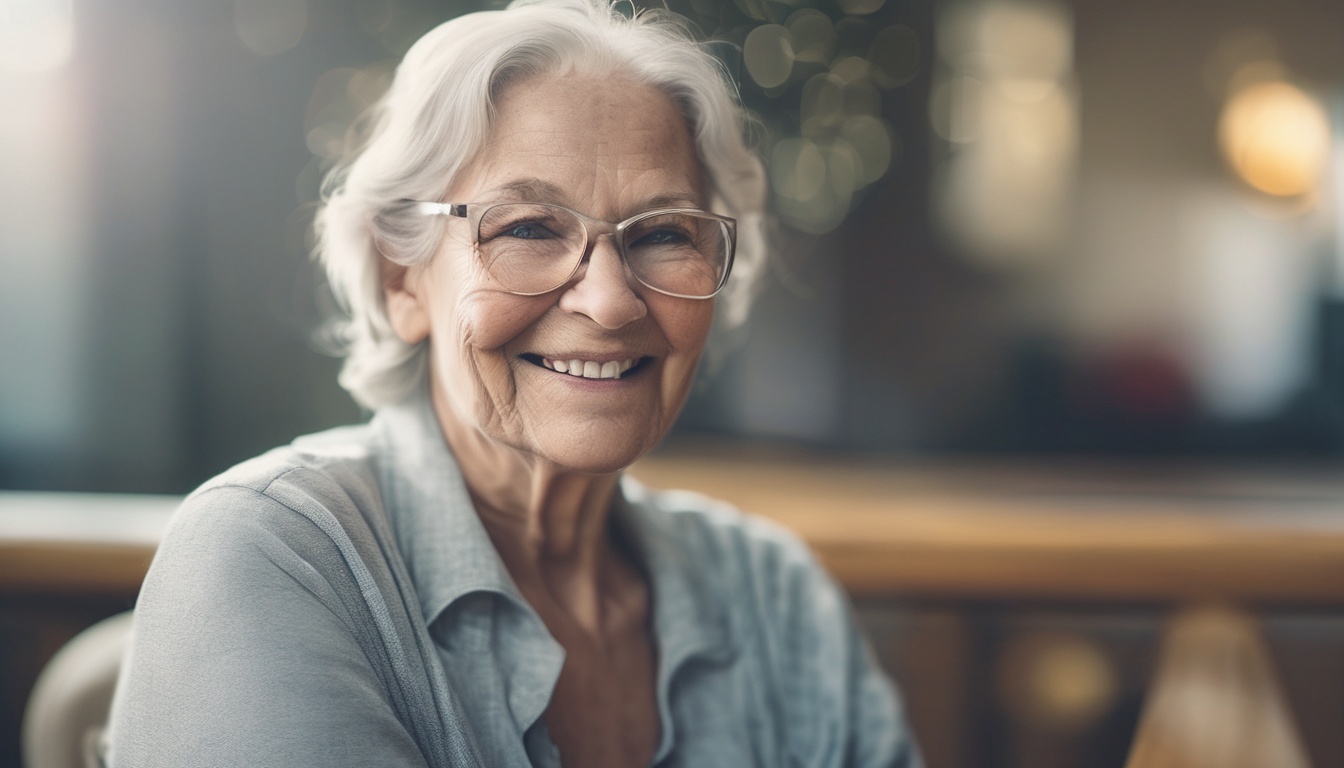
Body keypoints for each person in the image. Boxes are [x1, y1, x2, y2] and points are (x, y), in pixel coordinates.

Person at [105, 0, 922, 765]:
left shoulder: (777, 596)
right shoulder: (273, 554)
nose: (608, 302)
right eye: (528, 227)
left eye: (665, 233)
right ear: (402, 280)